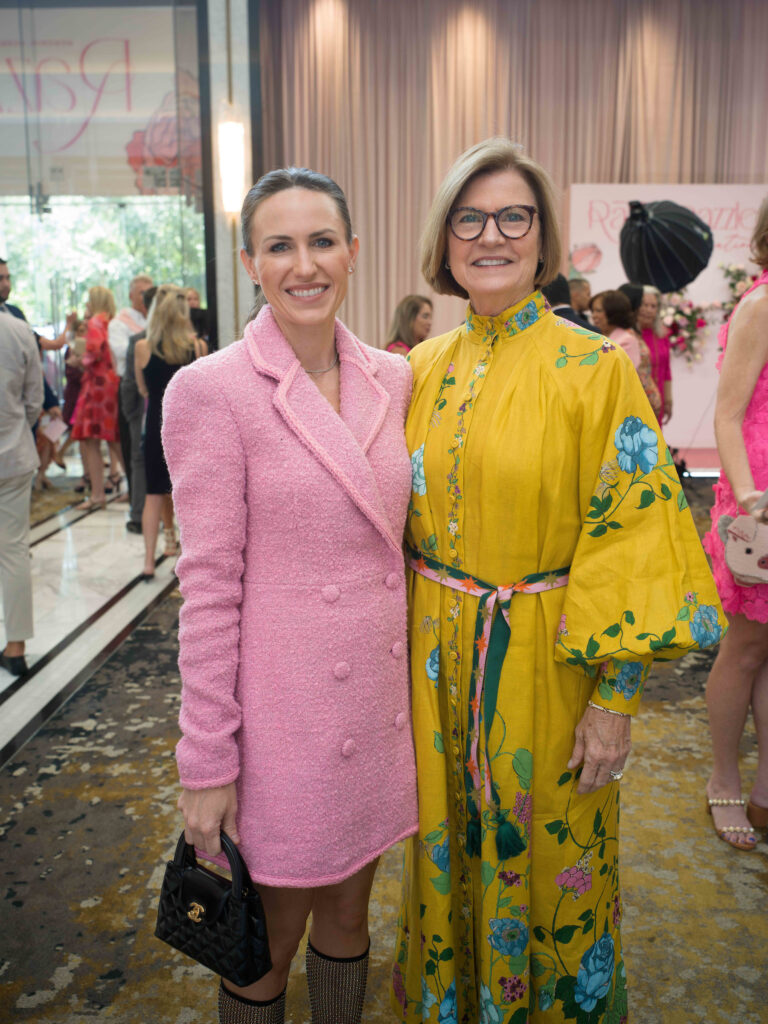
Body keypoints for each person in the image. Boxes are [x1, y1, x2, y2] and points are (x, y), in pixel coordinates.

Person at [391, 137, 725, 1024]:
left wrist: (617, 700)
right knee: (444, 856)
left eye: (513, 217)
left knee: (553, 863)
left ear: (541, 242)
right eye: (470, 217)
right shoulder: (418, 371)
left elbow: (636, 542)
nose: (490, 235)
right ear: (445, 240)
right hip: (434, 674)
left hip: (549, 667)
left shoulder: (595, 371)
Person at [162, 167, 418, 1024]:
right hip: (282, 729)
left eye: (321, 241)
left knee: (350, 918)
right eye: (279, 245)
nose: (303, 264)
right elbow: (207, 587)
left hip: (375, 717)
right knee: (263, 949)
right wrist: (206, 762)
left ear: (353, 251)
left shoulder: (395, 377)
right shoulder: (212, 391)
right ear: (250, 262)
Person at [702, 197, 768, 850]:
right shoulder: (761, 304)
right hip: (761, 501)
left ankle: (766, 783)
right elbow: (727, 414)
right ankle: (723, 777)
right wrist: (749, 498)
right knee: (746, 646)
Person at [135, 286, 206, 579]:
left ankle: (149, 562)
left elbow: (143, 391)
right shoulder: (197, 347)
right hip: (189, 428)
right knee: (192, 497)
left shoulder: (143, 347)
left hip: (155, 427)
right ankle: (193, 559)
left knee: (153, 496)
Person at [0, 312, 43, 677]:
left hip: (13, 453)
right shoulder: (18, 331)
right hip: (12, 452)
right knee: (13, 549)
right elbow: (34, 399)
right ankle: (15, 647)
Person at [70, 286, 121, 510]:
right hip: (111, 382)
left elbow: (93, 353)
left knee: (91, 440)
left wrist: (80, 360)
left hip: (96, 386)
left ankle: (97, 495)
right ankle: (138, 491)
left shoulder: (95, 322)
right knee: (115, 439)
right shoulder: (113, 321)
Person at [109, 274, 154, 497]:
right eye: (142, 294)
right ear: (131, 296)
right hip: (132, 389)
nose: (147, 298)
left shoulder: (155, 319)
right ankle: (137, 501)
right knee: (134, 448)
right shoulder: (119, 323)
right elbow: (122, 353)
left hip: (154, 386)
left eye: (150, 292)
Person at [591, 289, 662, 421]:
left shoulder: (626, 340)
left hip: (630, 409)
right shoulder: (602, 337)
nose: (594, 315)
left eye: (598, 311)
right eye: (593, 311)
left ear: (613, 312)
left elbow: (620, 378)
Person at [121, 286, 157, 534]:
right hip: (142, 412)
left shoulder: (188, 341)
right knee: (138, 461)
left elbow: (129, 383)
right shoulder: (137, 341)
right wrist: (132, 414)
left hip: (148, 412)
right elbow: (129, 383)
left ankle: (146, 516)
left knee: (141, 462)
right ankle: (138, 514)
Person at [637, 285, 673, 424]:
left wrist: (669, 400)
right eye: (645, 305)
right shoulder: (632, 336)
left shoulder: (662, 333)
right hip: (640, 399)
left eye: (653, 306)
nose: (649, 310)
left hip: (659, 398)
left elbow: (667, 369)